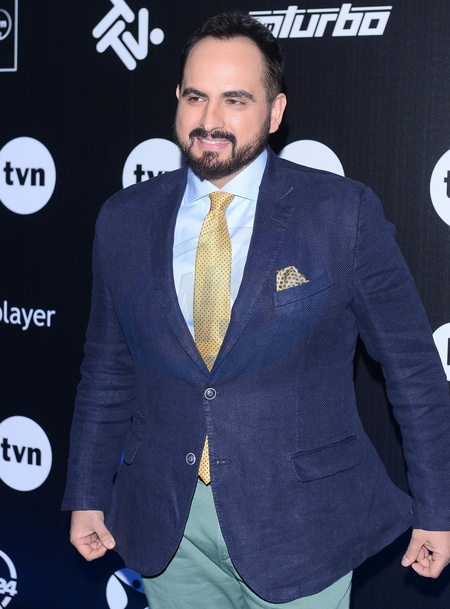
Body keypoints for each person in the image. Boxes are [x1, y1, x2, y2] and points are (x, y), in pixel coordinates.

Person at [63, 10, 450, 609]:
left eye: (235, 100)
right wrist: (87, 492)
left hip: (302, 526)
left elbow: (413, 371)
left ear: (274, 112)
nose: (209, 120)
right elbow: (106, 373)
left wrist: (438, 508)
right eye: (196, 97)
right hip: (167, 522)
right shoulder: (124, 220)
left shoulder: (340, 214)